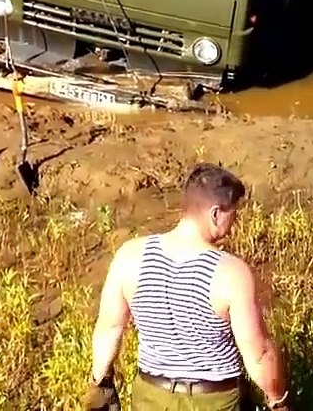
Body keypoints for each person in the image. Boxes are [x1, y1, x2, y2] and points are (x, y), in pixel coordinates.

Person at [87, 162, 290, 411]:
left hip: (151, 397)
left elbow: (109, 329)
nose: (234, 223)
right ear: (215, 213)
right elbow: (258, 353)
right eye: (233, 213)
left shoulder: (130, 256)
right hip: (214, 401)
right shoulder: (230, 273)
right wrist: (277, 399)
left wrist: (100, 385)